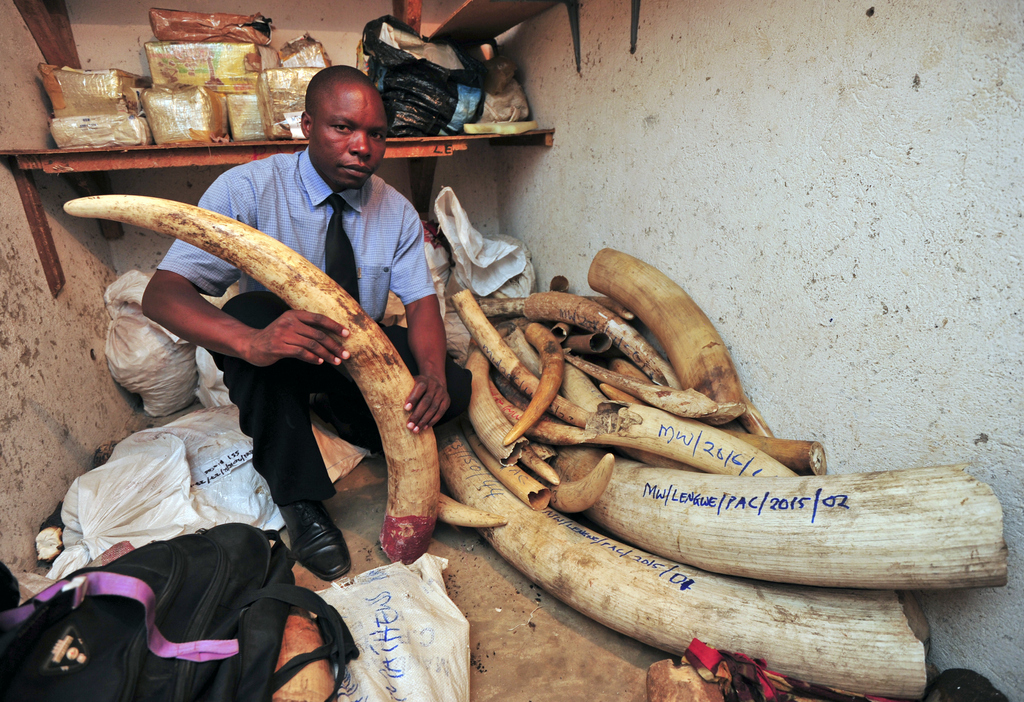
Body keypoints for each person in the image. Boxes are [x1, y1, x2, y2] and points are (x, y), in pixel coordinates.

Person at [142, 66, 471, 580]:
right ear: (307, 126)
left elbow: (422, 300)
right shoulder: (247, 190)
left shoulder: (397, 209)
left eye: (376, 134)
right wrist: (252, 343)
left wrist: (430, 371)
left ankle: (348, 415)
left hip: (360, 351)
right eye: (343, 128)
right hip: (285, 352)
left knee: (454, 388)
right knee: (247, 314)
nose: (362, 147)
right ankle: (301, 502)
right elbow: (162, 295)